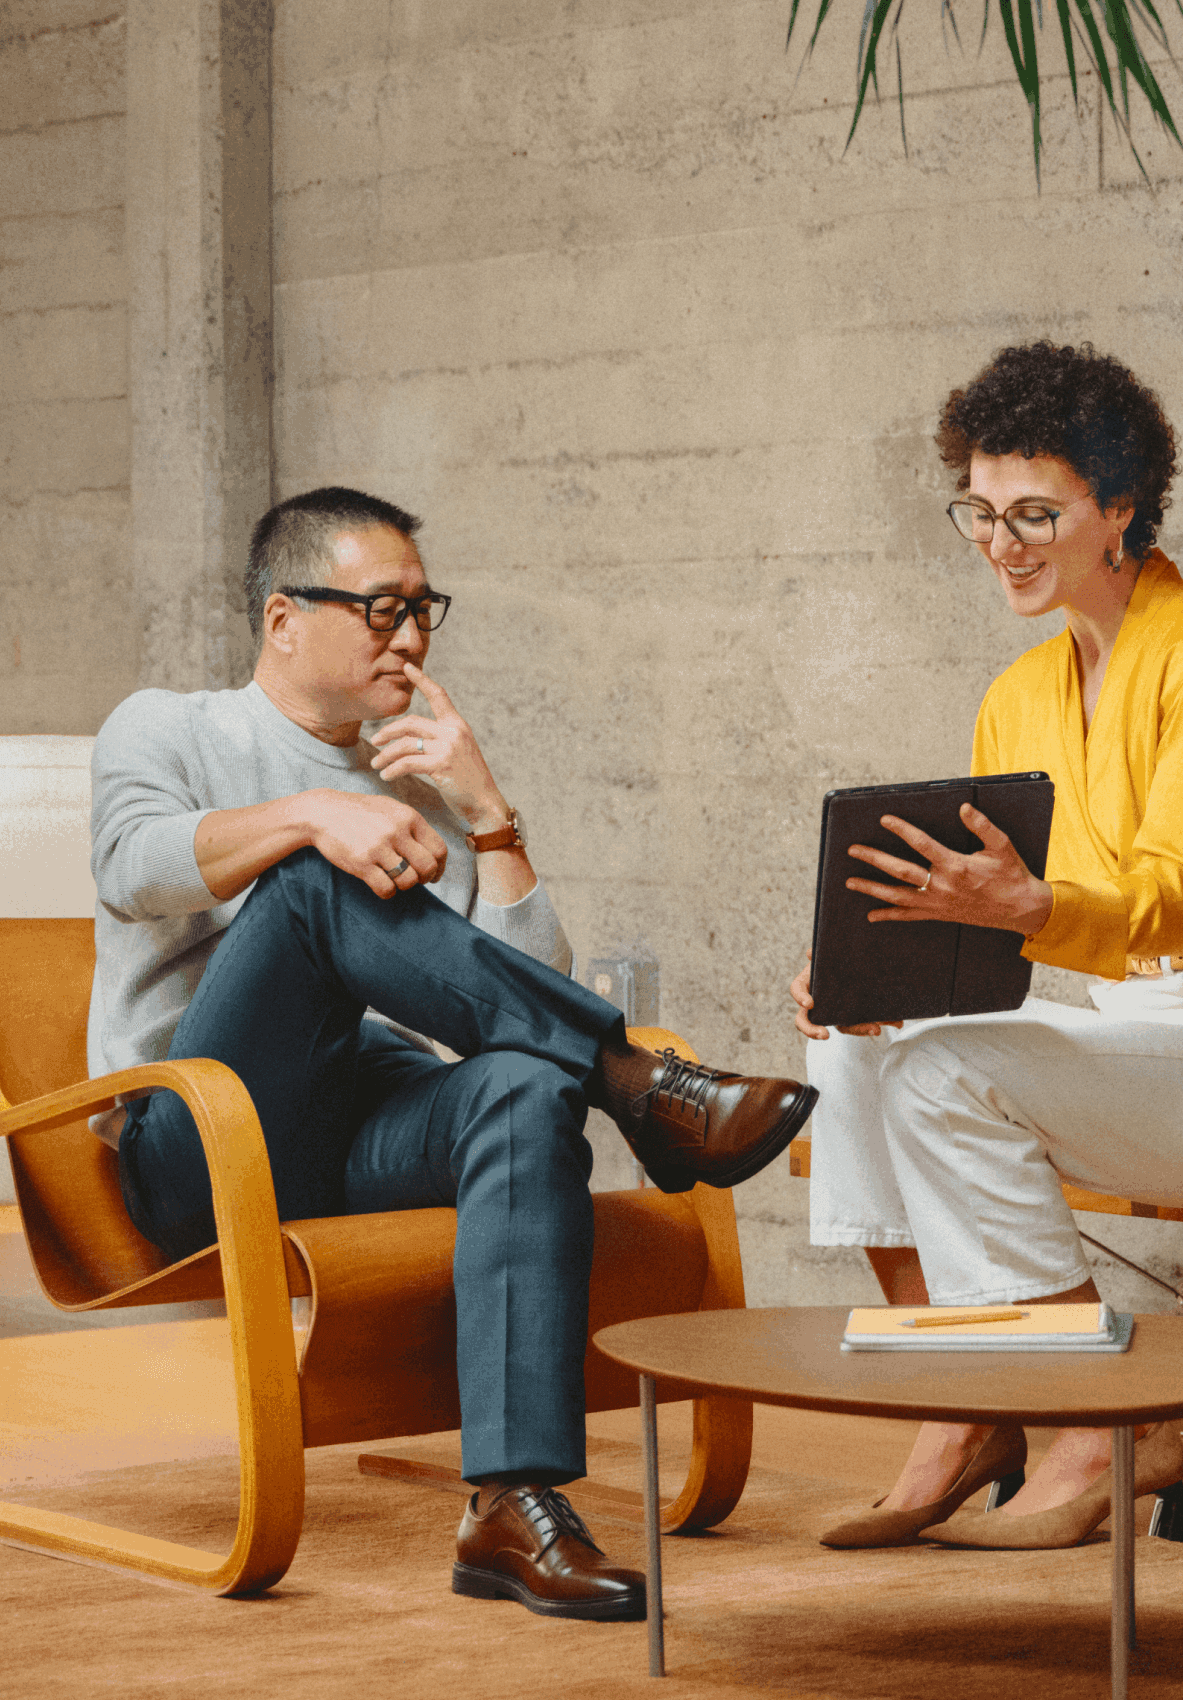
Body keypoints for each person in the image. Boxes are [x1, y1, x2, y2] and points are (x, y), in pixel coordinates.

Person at [89, 486, 817, 1619]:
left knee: (525, 1082)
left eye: (424, 610)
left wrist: (486, 813)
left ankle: (511, 1503)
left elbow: (515, 997)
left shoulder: (406, 781)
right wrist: (312, 819)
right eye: (382, 609)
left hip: (352, 1127)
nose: (413, 639)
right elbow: (130, 864)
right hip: (197, 1141)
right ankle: (640, 1086)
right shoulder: (171, 727)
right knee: (311, 881)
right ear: (283, 619)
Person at [789, 342, 1183, 1552]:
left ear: (1120, 506)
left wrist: (1025, 908)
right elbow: (1005, 927)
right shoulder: (1017, 694)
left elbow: (1175, 897)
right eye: (980, 511)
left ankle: (1107, 1422)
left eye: (1035, 514)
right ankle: (966, 1403)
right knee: (856, 1047)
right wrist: (881, 976)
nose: (1000, 542)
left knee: (946, 1072)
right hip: (1138, 1033)